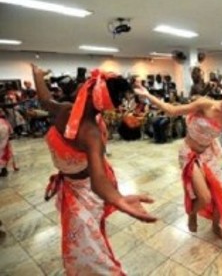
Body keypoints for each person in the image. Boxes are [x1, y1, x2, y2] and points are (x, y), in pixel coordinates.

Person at [32, 64, 157, 275]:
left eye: (87, 83)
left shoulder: (90, 132)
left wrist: (118, 199)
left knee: (90, 254)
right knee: (84, 246)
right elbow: (45, 101)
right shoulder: (66, 109)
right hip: (71, 185)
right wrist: (37, 76)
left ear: (91, 92)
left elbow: (98, 181)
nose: (82, 84)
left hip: (86, 192)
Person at [134, 79, 222, 241]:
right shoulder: (205, 104)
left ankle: (215, 226)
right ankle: (192, 213)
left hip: (207, 155)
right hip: (188, 153)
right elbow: (172, 110)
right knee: (204, 197)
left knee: (220, 193)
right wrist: (147, 94)